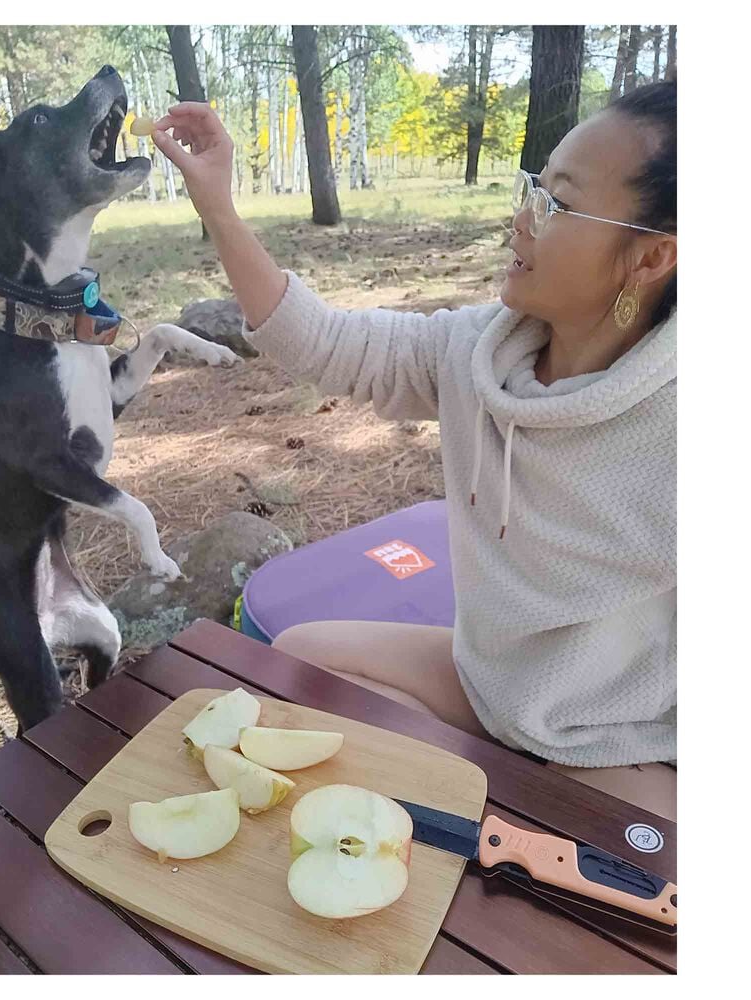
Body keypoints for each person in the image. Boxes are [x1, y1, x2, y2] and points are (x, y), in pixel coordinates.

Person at [151, 81, 678, 821]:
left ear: (651, 258)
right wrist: (218, 206)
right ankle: (478, 795)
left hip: (615, 742)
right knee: (298, 657)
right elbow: (326, 345)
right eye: (533, 188)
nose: (519, 221)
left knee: (613, 886)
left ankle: (483, 804)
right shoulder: (475, 351)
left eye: (556, 203)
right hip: (490, 684)